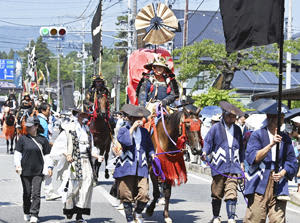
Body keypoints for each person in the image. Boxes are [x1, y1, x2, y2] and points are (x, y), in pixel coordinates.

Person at [244, 101, 298, 223]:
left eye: (283, 118)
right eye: (278, 118)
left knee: (278, 220)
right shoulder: (257, 135)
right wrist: (271, 144)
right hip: (259, 183)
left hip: (279, 183)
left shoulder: (286, 138)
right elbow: (253, 158)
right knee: (255, 218)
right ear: (269, 117)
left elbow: (292, 162)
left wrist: (283, 172)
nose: (281, 121)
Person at [201, 101, 244, 223]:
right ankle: (216, 216)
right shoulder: (215, 128)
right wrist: (205, 152)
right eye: (230, 116)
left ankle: (231, 217)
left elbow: (241, 147)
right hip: (219, 164)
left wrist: (242, 162)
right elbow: (208, 142)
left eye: (234, 116)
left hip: (234, 165)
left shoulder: (237, 129)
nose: (233, 118)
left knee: (232, 192)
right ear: (224, 115)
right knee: (217, 192)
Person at [113, 104, 155, 223]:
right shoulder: (123, 130)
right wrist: (131, 129)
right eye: (135, 118)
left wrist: (152, 154)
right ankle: (130, 219)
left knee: (144, 194)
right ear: (130, 118)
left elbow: (150, 146)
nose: (138, 121)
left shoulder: (144, 132)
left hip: (141, 166)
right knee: (126, 195)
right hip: (126, 166)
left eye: (139, 119)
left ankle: (137, 213)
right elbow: (125, 141)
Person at [14, 117, 52, 223]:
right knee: (27, 193)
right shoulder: (22, 139)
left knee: (36, 193)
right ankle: (27, 211)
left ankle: (34, 214)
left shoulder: (43, 140)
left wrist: (49, 167)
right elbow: (18, 153)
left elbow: (48, 156)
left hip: (38, 171)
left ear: (36, 126)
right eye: (27, 126)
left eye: (30, 127)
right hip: (25, 170)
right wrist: (17, 165)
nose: (28, 128)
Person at [62, 111, 95, 223]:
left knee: (87, 186)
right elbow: (63, 143)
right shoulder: (71, 128)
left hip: (86, 160)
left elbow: (92, 146)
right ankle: (70, 209)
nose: (84, 117)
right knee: (73, 188)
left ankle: (80, 215)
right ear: (78, 116)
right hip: (75, 161)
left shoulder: (87, 130)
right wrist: (68, 154)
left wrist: (96, 155)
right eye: (82, 115)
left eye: (86, 115)